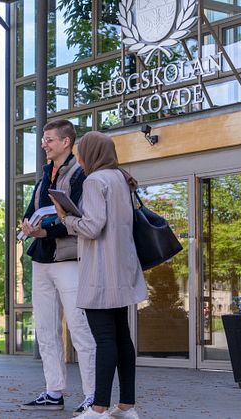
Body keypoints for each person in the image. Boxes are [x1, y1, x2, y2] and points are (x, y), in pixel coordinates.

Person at [51, 131, 148, 419]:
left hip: (101, 272)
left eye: (83, 152)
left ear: (91, 154)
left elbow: (92, 227)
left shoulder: (95, 181)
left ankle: (99, 408)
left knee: (104, 339)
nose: (80, 158)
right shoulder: (121, 178)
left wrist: (66, 217)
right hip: (123, 269)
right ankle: (127, 406)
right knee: (122, 337)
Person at [19, 120, 97, 416]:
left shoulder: (81, 174)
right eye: (43, 139)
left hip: (68, 260)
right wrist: (29, 226)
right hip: (41, 259)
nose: (43, 144)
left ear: (66, 142)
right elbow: (33, 210)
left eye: (49, 139)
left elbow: (78, 216)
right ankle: (54, 391)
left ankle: (92, 395)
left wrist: (46, 231)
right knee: (45, 329)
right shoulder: (44, 176)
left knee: (80, 328)